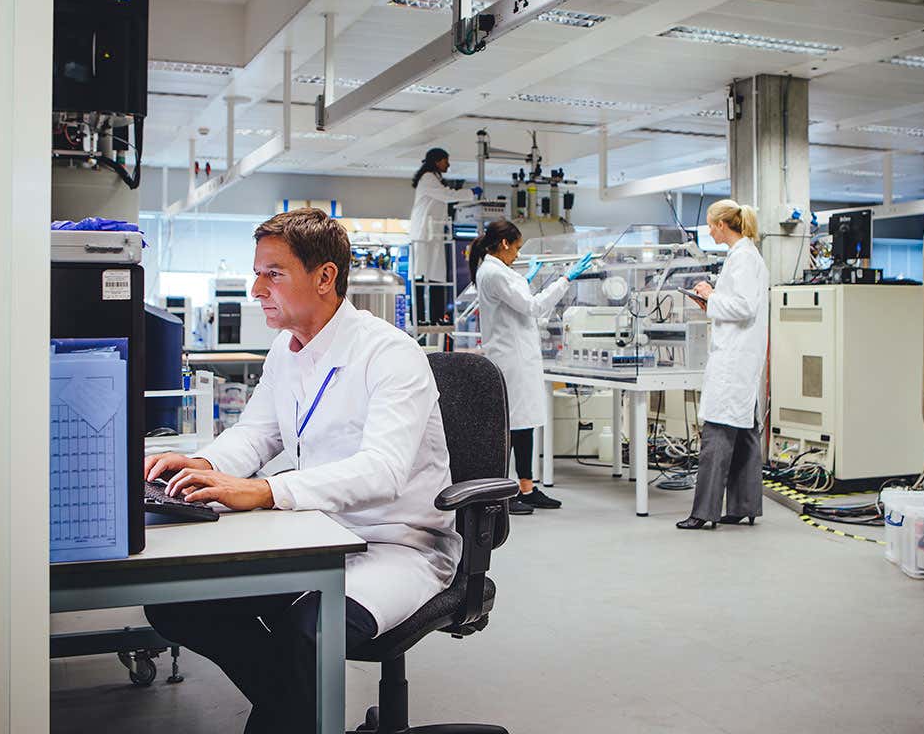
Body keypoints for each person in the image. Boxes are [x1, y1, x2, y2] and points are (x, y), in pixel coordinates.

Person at [142, 208, 462, 732]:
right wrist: (202, 465)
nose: (255, 289)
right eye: (257, 272)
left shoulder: (390, 354)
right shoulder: (285, 350)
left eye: (273, 273)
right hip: (317, 533)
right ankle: (301, 713)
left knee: (308, 634)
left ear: (325, 276)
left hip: (398, 544)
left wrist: (267, 491)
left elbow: (382, 472)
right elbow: (257, 433)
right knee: (178, 605)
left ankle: (287, 716)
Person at [469, 220, 593, 515]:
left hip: (519, 358)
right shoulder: (493, 273)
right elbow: (533, 307)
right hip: (511, 360)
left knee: (523, 425)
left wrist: (526, 279)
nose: (518, 255)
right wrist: (565, 279)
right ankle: (503, 492)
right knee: (509, 428)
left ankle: (526, 487)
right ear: (503, 244)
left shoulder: (500, 271)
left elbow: (526, 307)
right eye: (517, 248)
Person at [677, 200, 769, 531]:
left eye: (710, 225)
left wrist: (710, 295)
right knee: (744, 433)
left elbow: (743, 306)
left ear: (720, 225)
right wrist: (712, 300)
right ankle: (745, 505)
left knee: (716, 434)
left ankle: (703, 512)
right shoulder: (745, 256)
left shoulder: (743, 257)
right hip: (740, 357)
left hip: (734, 360)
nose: (709, 230)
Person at [409, 147, 480, 282]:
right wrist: (471, 192)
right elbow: (447, 195)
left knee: (431, 271)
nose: (448, 164)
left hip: (432, 231)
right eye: (445, 161)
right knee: (423, 272)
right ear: (437, 161)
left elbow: (445, 195)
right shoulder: (428, 178)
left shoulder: (433, 178)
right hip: (425, 231)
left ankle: (433, 298)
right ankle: (425, 300)